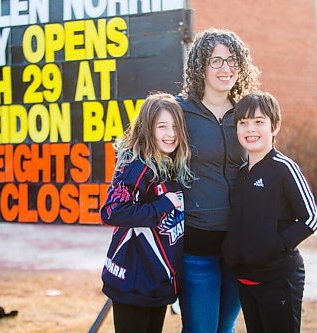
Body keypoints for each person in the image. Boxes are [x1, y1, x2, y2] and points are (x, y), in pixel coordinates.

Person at [177, 28, 260, 332]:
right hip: (197, 243)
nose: (226, 68)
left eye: (232, 60)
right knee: (201, 329)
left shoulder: (247, 112)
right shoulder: (179, 111)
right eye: (216, 61)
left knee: (225, 327)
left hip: (238, 244)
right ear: (200, 67)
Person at [222, 92, 317, 332]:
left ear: (274, 126)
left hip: (279, 278)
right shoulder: (241, 174)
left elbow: (311, 218)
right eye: (243, 123)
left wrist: (274, 245)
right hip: (246, 280)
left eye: (258, 122)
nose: (250, 129)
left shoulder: (285, 168)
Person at [100, 92, 194, 333]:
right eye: (162, 126)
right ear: (146, 128)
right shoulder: (136, 166)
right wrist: (163, 205)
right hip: (133, 281)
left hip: (157, 281)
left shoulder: (171, 165)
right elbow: (111, 211)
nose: (171, 134)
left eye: (175, 126)